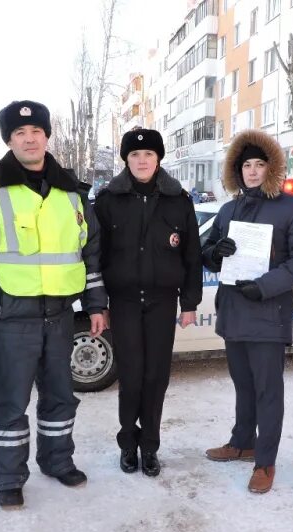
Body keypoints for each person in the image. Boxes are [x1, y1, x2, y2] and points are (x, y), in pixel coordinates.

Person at [0, 100, 107, 509]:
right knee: (11, 402)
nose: (29, 138)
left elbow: (89, 253)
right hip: (10, 319)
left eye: (36, 131)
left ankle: (58, 461)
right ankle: (9, 477)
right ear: (9, 140)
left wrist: (95, 305)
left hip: (59, 316)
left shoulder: (72, 194)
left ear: (47, 136)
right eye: (19, 133)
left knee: (60, 396)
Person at [201, 129, 293, 494]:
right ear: (237, 171)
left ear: (271, 167)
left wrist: (265, 286)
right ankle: (242, 441)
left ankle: (265, 461)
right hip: (234, 313)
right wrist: (214, 252)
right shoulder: (229, 208)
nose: (252, 171)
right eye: (246, 165)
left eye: (259, 164)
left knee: (268, 391)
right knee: (243, 386)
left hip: (268, 315)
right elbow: (206, 253)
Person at [94, 129, 202, 477]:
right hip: (123, 301)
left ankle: (150, 447)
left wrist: (189, 302)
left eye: (149, 155)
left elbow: (192, 255)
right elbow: (96, 254)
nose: (142, 161)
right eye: (135, 155)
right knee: (131, 376)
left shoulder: (178, 200)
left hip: (161, 301)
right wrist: (98, 302)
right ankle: (128, 444)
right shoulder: (109, 199)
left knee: (156, 377)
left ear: (158, 160)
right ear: (126, 160)